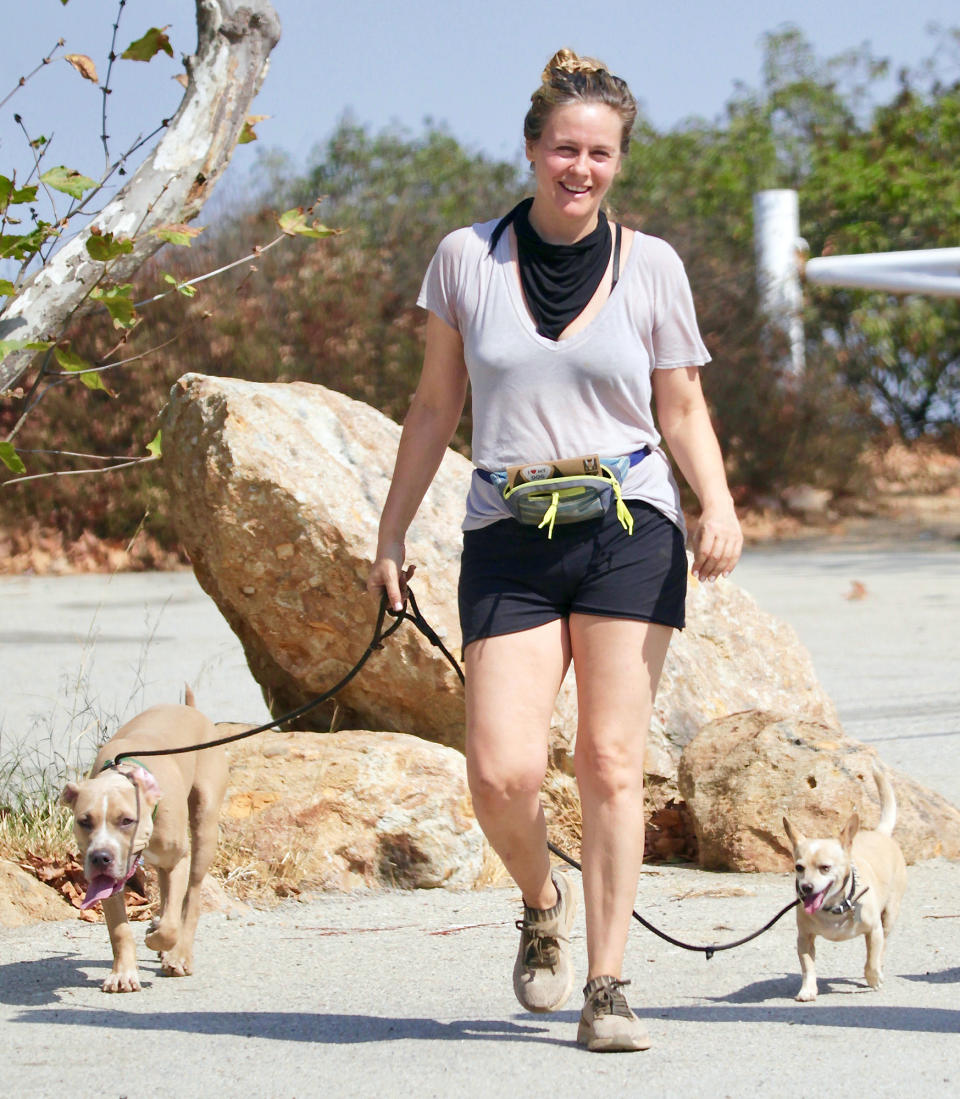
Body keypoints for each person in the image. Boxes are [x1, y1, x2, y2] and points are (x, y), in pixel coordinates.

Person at [367, 47, 742, 1053]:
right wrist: (391, 529)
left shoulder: (652, 266)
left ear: (618, 161)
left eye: (600, 153)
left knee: (614, 762)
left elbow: (682, 403)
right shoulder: (465, 258)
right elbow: (437, 402)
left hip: (629, 527)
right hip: (508, 533)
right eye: (564, 149)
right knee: (501, 773)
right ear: (533, 150)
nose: (580, 167)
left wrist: (718, 503)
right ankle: (541, 902)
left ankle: (609, 985)